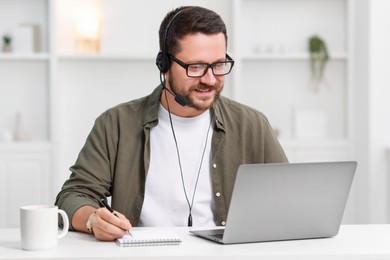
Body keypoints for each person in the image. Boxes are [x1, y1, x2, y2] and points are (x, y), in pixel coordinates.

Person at [55, 5, 288, 241]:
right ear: (164, 65)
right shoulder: (115, 124)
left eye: (218, 65)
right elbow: (73, 195)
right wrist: (92, 219)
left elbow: (288, 197)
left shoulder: (252, 125)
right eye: (195, 67)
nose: (210, 80)